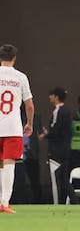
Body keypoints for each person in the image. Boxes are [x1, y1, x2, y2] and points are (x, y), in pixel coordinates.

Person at [0, 44, 34, 213]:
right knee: (9, 163)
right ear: (14, 58)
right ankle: (4, 203)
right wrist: (29, 123)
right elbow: (29, 105)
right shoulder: (21, 77)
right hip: (12, 127)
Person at [44, 87, 79, 204]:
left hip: (58, 150)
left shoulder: (59, 111)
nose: (50, 97)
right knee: (63, 177)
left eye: (51, 95)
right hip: (65, 148)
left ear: (56, 97)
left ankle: (57, 201)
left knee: (58, 177)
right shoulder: (67, 111)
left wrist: (46, 135)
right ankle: (72, 200)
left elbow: (57, 130)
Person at [21, 106, 45, 204]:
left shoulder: (36, 118)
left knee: (35, 182)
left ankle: (38, 201)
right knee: (18, 181)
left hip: (32, 155)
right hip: (19, 155)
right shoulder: (16, 118)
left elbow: (40, 135)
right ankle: (18, 201)